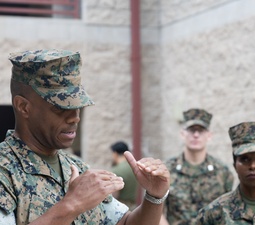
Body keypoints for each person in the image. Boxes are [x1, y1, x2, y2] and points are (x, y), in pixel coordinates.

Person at [0, 49, 170, 225]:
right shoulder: (5, 171)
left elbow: (125, 223)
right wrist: (72, 204)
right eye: (61, 107)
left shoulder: (76, 168)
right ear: (23, 107)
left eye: (77, 106)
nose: (75, 117)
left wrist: (154, 197)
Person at [161, 108, 234, 225]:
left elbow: (229, 212)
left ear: (209, 136)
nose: (196, 135)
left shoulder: (222, 172)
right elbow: (157, 211)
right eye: (191, 130)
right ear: (182, 134)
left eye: (201, 130)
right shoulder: (167, 170)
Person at [110, 141, 138, 210]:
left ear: (115, 154)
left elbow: (114, 195)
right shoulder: (133, 168)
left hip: (121, 209)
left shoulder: (117, 170)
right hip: (133, 208)